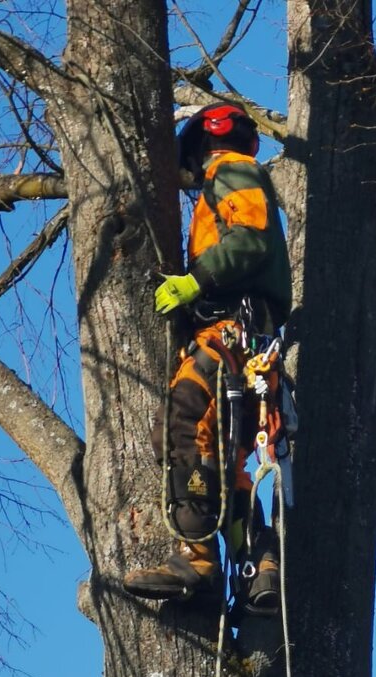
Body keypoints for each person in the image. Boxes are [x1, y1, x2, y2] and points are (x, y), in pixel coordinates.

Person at [123, 102, 292, 611]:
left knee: (185, 418)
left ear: (202, 144)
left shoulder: (231, 170)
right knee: (229, 455)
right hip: (246, 341)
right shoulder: (224, 185)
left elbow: (251, 242)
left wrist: (197, 279)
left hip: (232, 332)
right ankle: (256, 563)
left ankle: (196, 555)